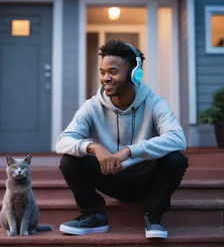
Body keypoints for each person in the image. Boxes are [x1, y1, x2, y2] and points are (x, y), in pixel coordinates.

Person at [56, 39, 188, 239]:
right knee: (69, 161)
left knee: (176, 159)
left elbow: (178, 138)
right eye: (102, 72)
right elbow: (62, 141)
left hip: (145, 178)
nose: (105, 78)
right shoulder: (92, 106)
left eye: (113, 72)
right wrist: (93, 147)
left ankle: (154, 215)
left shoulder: (154, 102)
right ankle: (94, 215)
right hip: (109, 175)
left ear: (135, 74)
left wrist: (130, 151)